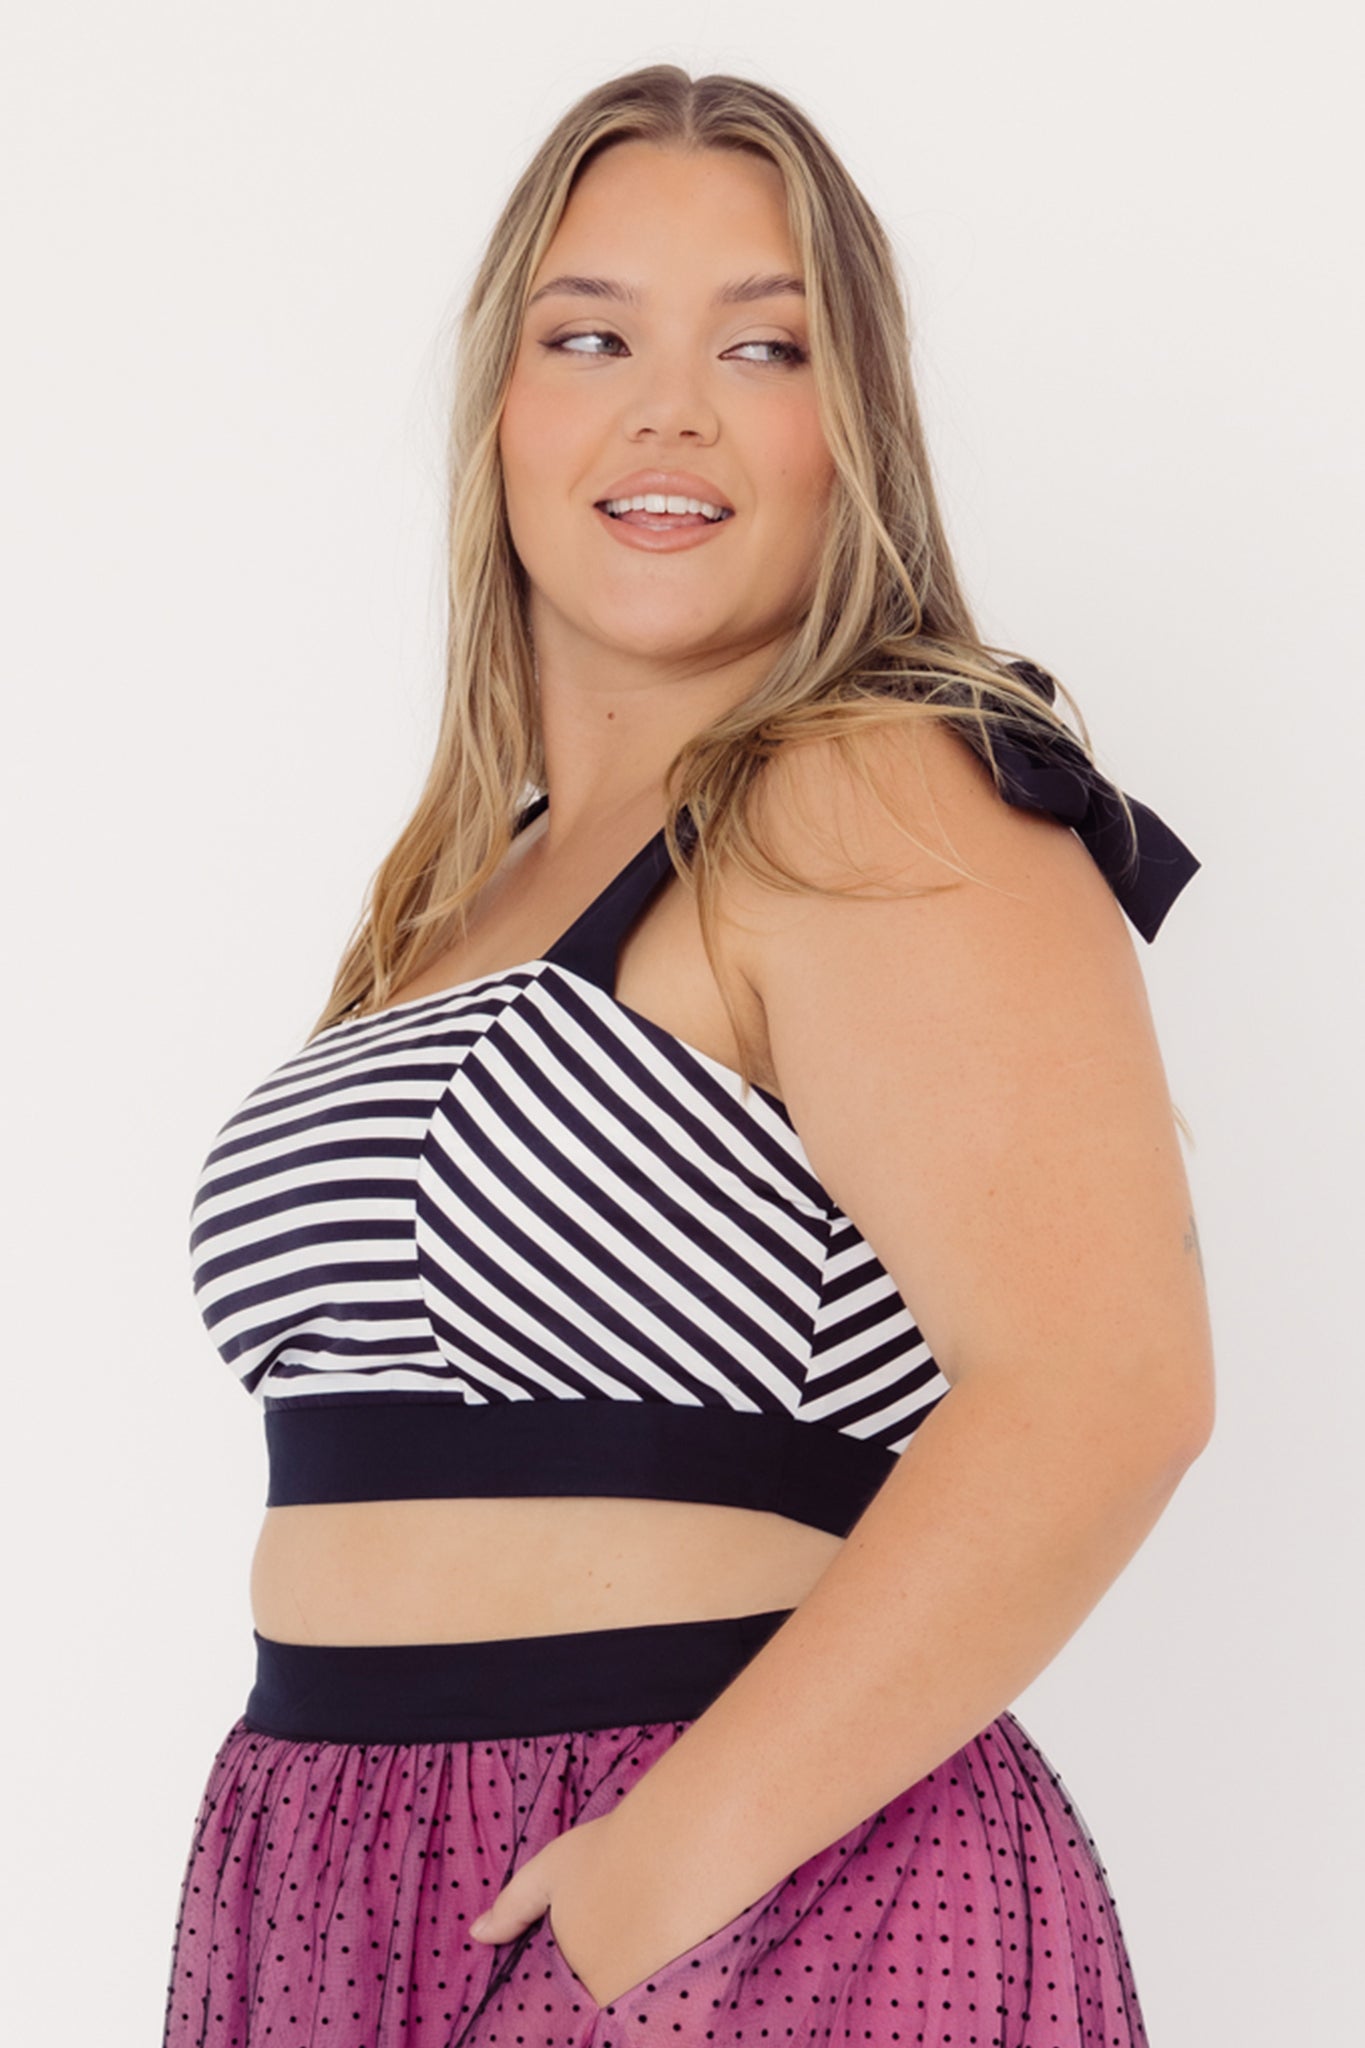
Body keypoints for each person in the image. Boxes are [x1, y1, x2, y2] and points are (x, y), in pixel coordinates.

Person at [162, 64, 1214, 2048]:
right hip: (333, 1877)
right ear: (502, 414)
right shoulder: (452, 892)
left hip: (740, 1888)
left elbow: (1103, 1386)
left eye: (761, 341)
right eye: (590, 337)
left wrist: (648, 1879)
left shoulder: (872, 788)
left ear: (853, 434)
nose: (668, 409)